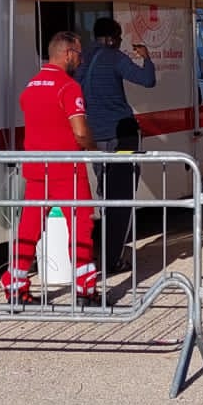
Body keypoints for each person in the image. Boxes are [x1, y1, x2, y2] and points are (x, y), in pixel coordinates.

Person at [5, 32, 99, 304]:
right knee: (80, 228)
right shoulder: (68, 87)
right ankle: (85, 289)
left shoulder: (31, 87)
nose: (80, 60)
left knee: (29, 228)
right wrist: (93, 147)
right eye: (79, 54)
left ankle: (15, 285)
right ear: (68, 53)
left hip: (36, 168)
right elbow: (80, 132)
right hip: (67, 169)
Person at [81, 16, 156, 275]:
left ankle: (101, 249)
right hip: (120, 135)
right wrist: (146, 57)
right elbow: (147, 80)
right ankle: (112, 257)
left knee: (105, 196)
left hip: (94, 137)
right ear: (112, 38)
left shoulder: (82, 59)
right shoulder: (115, 57)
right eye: (120, 38)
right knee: (121, 197)